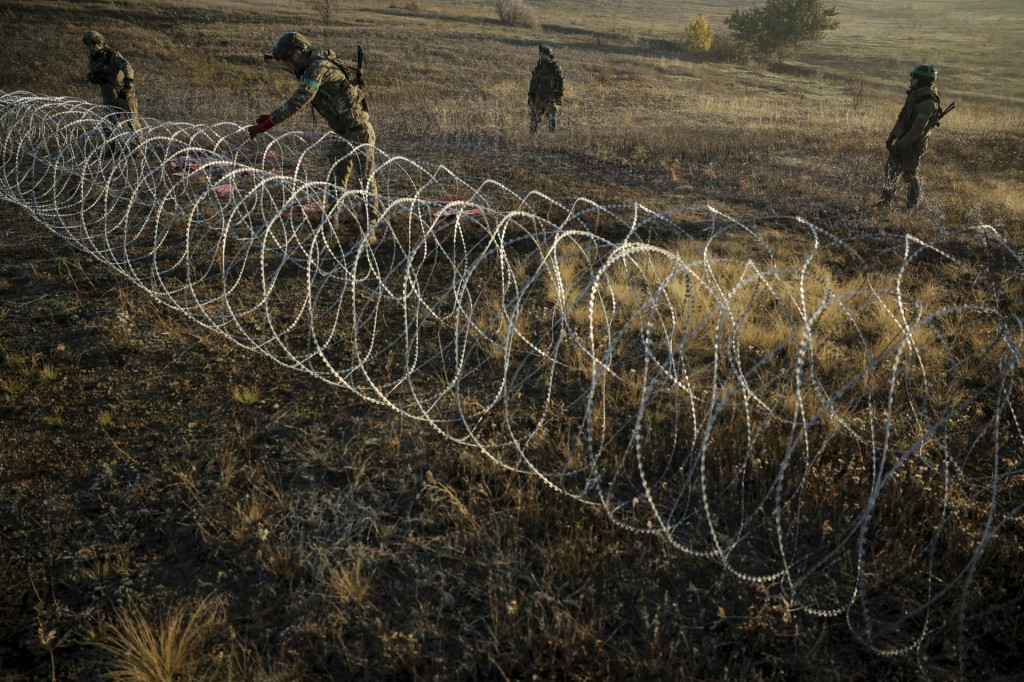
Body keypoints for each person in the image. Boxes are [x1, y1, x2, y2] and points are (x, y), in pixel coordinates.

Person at [248, 31, 380, 225]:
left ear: (298, 52)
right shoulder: (311, 67)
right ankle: (331, 221)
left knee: (364, 183)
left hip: (358, 131)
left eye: (287, 60)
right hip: (341, 132)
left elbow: (299, 100)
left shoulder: (317, 68)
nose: (287, 65)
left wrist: (267, 124)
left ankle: (371, 229)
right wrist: (271, 117)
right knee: (336, 179)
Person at [880, 64, 941, 210]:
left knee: (909, 174)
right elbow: (903, 119)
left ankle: (911, 207)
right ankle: (885, 202)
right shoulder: (915, 96)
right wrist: (892, 137)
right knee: (891, 170)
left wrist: (899, 147)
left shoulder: (927, 103)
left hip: (914, 144)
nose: (911, 80)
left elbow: (917, 130)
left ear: (922, 81)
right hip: (903, 140)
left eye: (914, 78)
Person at [83, 30, 141, 131]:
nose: (89, 49)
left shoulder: (113, 55)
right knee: (108, 128)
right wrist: (96, 77)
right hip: (109, 97)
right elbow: (90, 76)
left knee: (133, 126)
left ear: (99, 44)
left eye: (90, 46)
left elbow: (127, 67)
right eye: (88, 46)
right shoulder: (93, 60)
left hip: (124, 95)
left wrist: (128, 83)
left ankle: (140, 146)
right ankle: (111, 147)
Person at [528, 45, 563, 134]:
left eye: (544, 54)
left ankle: (552, 139)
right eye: (541, 54)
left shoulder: (554, 68)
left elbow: (560, 82)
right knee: (534, 120)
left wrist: (558, 96)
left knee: (551, 120)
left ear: (549, 56)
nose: (542, 56)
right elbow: (533, 82)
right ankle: (532, 138)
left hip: (550, 99)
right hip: (538, 98)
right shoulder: (538, 68)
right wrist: (530, 95)